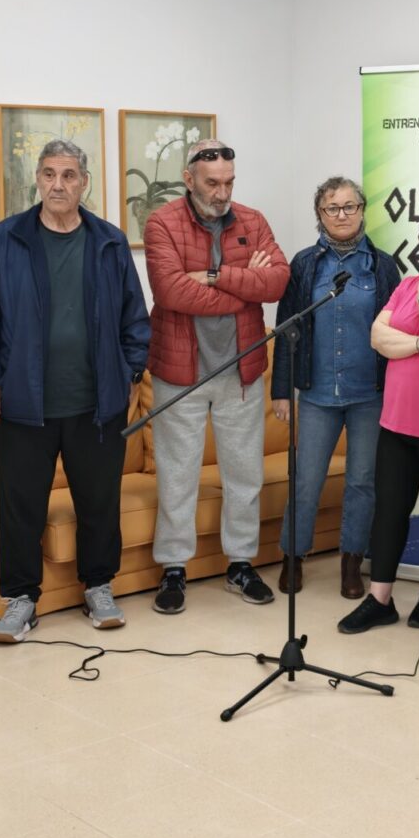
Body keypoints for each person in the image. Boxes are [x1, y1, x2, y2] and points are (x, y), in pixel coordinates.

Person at [0, 139, 150, 642]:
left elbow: (135, 317)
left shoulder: (108, 242)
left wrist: (131, 372)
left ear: (84, 182)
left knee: (98, 502)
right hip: (25, 404)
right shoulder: (6, 240)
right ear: (38, 181)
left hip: (96, 404)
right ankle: (20, 601)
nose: (58, 185)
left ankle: (99, 587)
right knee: (20, 505)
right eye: (49, 174)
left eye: (69, 175)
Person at [144, 140, 289, 612]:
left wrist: (212, 275)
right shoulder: (161, 223)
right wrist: (244, 283)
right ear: (189, 180)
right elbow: (170, 292)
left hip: (241, 370)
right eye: (212, 183)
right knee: (178, 474)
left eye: (229, 182)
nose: (222, 192)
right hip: (179, 372)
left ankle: (241, 565)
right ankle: (173, 569)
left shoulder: (253, 220)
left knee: (244, 474)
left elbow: (277, 282)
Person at [337, 203, 419, 634]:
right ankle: (380, 598)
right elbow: (378, 337)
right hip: (396, 421)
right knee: (390, 508)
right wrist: (418, 343)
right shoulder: (407, 283)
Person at [271, 176, 400, 598]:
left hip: (369, 394)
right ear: (319, 215)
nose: (342, 215)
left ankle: (350, 562)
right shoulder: (305, 264)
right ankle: (293, 557)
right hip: (317, 394)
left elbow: (396, 328)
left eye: (350, 206)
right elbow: (286, 328)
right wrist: (280, 390)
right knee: (306, 480)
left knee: (363, 481)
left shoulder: (382, 266)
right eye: (332, 208)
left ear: (363, 210)